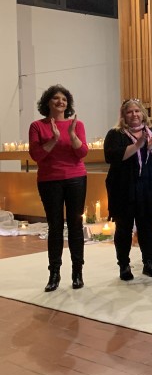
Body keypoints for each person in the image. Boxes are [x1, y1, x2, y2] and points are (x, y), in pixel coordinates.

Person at [29, 85, 89, 292]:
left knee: (75, 225)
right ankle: (54, 273)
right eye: (55, 98)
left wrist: (71, 134)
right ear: (47, 102)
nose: (60, 101)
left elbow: (82, 153)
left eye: (63, 99)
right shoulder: (37, 126)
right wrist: (54, 139)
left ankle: (77, 272)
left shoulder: (76, 124)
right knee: (55, 226)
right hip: (49, 180)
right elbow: (36, 155)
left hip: (76, 178)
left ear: (68, 103)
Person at [104, 99, 152, 281]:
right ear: (124, 116)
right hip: (123, 186)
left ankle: (149, 262)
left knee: (146, 227)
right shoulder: (115, 134)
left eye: (137, 111)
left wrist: (151, 146)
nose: (134, 115)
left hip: (148, 186)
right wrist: (138, 145)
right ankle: (124, 265)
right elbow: (112, 157)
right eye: (130, 112)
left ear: (143, 114)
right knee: (124, 228)